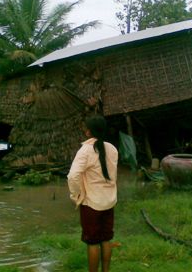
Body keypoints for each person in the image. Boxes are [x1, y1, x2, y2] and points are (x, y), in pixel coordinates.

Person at [67, 114, 118, 272]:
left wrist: (76, 195)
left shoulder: (86, 150)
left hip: (92, 204)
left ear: (89, 131)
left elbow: (73, 176)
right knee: (106, 239)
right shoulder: (112, 148)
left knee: (93, 242)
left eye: (85, 127)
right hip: (109, 201)